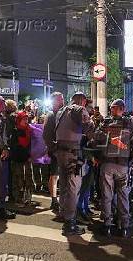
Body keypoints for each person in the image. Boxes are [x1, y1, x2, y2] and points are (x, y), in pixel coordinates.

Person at [94, 99, 133, 237]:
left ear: (116, 108)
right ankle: (124, 226)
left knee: (107, 196)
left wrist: (109, 137)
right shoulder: (130, 123)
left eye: (112, 107)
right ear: (123, 109)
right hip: (122, 165)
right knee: (123, 196)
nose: (111, 110)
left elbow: (96, 136)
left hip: (107, 164)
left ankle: (107, 225)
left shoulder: (106, 122)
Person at [54, 92, 94, 236]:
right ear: (82, 101)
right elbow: (89, 129)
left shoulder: (61, 110)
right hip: (72, 154)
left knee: (64, 186)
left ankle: (64, 214)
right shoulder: (79, 110)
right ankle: (70, 223)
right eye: (85, 102)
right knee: (73, 188)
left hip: (60, 152)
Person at [43, 92, 65, 213]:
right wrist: (52, 148)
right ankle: (54, 199)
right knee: (54, 175)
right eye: (59, 99)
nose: (62, 101)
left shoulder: (64, 113)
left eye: (62, 99)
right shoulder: (51, 115)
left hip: (63, 150)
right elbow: (46, 135)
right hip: (55, 150)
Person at [9, 111, 37, 207]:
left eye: (27, 119)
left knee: (28, 178)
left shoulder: (29, 130)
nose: (26, 121)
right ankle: (18, 199)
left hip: (27, 159)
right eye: (24, 119)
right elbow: (14, 146)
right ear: (19, 120)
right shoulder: (15, 130)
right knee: (18, 179)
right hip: (18, 159)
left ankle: (28, 198)